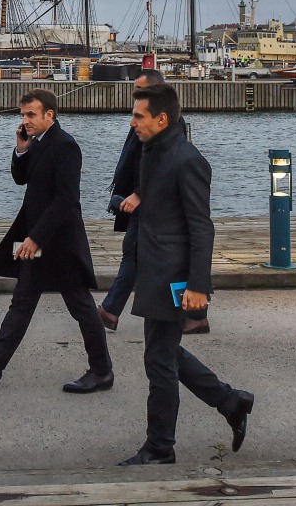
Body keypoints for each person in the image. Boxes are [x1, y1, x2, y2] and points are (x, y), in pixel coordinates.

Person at [119, 83, 253, 466]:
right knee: (164, 353)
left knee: (159, 362)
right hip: (152, 268)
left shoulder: (187, 159)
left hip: (173, 276)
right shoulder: (152, 151)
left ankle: (160, 446)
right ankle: (231, 401)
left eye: (139, 116)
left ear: (161, 119)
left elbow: (201, 226)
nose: (133, 123)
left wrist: (198, 286)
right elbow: (153, 193)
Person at [0, 88, 113, 393]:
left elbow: (66, 201)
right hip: (39, 239)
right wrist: (21, 149)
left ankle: (102, 371)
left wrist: (36, 238)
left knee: (81, 307)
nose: (24, 120)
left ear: (49, 115)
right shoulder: (39, 142)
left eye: (30, 115)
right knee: (23, 301)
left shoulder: (66, 146)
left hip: (59, 243)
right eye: (22, 114)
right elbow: (21, 178)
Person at [98, 69, 209, 335]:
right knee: (138, 254)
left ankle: (111, 310)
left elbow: (164, 170)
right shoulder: (145, 128)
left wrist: (139, 194)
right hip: (143, 203)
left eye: (140, 88)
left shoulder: (170, 136)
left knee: (134, 253)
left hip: (153, 206)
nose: (134, 93)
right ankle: (193, 315)